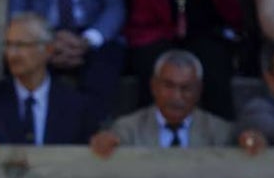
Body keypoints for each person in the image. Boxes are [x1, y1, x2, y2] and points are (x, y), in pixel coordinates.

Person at [0, 12, 98, 158]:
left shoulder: (77, 105)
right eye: (8, 45)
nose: (11, 54)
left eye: (21, 45)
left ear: (48, 50)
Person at [89, 48, 230, 155]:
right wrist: (104, 142)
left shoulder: (221, 132)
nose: (176, 97)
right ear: (153, 86)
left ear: (199, 90)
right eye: (168, 86)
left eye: (186, 88)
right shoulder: (127, 129)